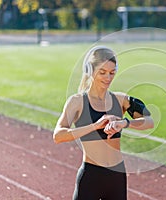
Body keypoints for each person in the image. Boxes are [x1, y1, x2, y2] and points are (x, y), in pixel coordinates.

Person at [53, 46, 154, 200]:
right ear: (90, 70)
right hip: (91, 176)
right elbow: (58, 136)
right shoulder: (77, 102)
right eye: (102, 72)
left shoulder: (121, 100)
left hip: (117, 176)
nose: (108, 77)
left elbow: (149, 121)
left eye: (112, 72)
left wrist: (124, 123)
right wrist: (95, 126)